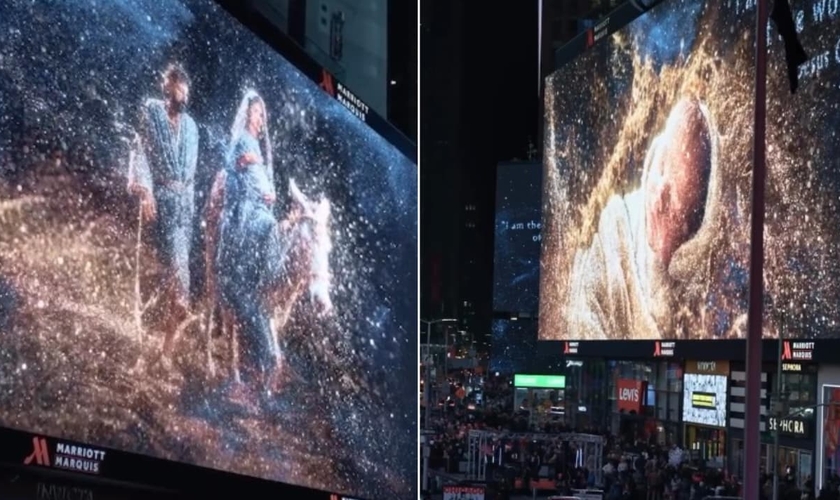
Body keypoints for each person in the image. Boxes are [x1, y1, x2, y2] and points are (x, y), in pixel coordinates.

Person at [564, 96, 725, 340]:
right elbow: (581, 322)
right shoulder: (615, 228)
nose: (658, 195)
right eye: (662, 167)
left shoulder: (705, 287)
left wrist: (663, 253)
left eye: (672, 200)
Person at [128, 64, 199, 358]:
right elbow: (140, 151)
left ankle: (167, 348)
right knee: (174, 277)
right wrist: (146, 191)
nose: (181, 93)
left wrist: (189, 207)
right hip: (161, 201)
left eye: (184, 88)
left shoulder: (192, 128)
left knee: (180, 279)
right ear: (166, 87)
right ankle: (155, 337)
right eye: (176, 87)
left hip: (184, 210)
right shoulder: (151, 112)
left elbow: (191, 176)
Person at [216, 91, 285, 394]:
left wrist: (269, 194)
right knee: (271, 229)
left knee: (275, 227)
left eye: (262, 114)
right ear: (247, 114)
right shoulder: (242, 140)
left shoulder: (260, 146)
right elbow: (231, 166)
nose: (260, 118)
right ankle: (268, 278)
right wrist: (242, 162)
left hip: (259, 209)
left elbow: (264, 183)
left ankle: (269, 280)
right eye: (256, 113)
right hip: (245, 212)